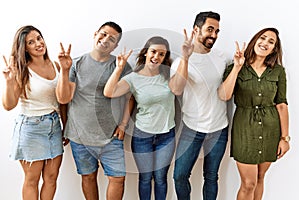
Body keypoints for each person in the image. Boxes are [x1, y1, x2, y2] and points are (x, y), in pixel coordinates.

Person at [56, 21, 133, 200]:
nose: (105, 40)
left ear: (116, 45)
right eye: (103, 34)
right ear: (95, 34)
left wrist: (123, 124)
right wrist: (64, 71)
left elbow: (130, 97)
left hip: (111, 137)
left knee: (118, 179)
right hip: (80, 136)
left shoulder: (121, 66)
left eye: (112, 39)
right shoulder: (76, 64)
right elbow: (64, 99)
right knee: (88, 177)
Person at [218, 27, 290, 200]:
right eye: (263, 38)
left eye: (271, 42)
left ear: (274, 49)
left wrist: (285, 138)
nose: (265, 43)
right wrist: (237, 67)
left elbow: (281, 104)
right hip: (245, 129)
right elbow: (224, 95)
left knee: (259, 178)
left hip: (271, 130)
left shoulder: (278, 71)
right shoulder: (236, 66)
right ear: (255, 40)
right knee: (248, 183)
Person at [104, 36, 176, 200]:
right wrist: (119, 68)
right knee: (145, 178)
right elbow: (109, 92)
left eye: (161, 54)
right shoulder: (133, 78)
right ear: (145, 53)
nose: (156, 57)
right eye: (153, 52)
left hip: (166, 135)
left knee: (160, 179)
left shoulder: (169, 75)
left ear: (165, 58)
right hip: (142, 136)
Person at [1, 25, 67, 200]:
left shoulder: (55, 65)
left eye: (39, 38)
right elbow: (8, 105)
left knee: (51, 178)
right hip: (31, 127)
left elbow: (62, 101)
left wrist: (65, 126)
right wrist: (8, 82)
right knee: (32, 179)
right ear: (25, 48)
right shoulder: (22, 70)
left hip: (54, 125)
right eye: (31, 42)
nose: (38, 43)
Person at [169, 11, 229, 200]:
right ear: (196, 30)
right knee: (179, 176)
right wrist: (186, 58)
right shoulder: (180, 61)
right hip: (192, 128)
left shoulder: (223, 58)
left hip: (219, 128)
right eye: (210, 29)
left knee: (211, 177)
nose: (214, 35)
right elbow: (177, 89)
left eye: (217, 31)